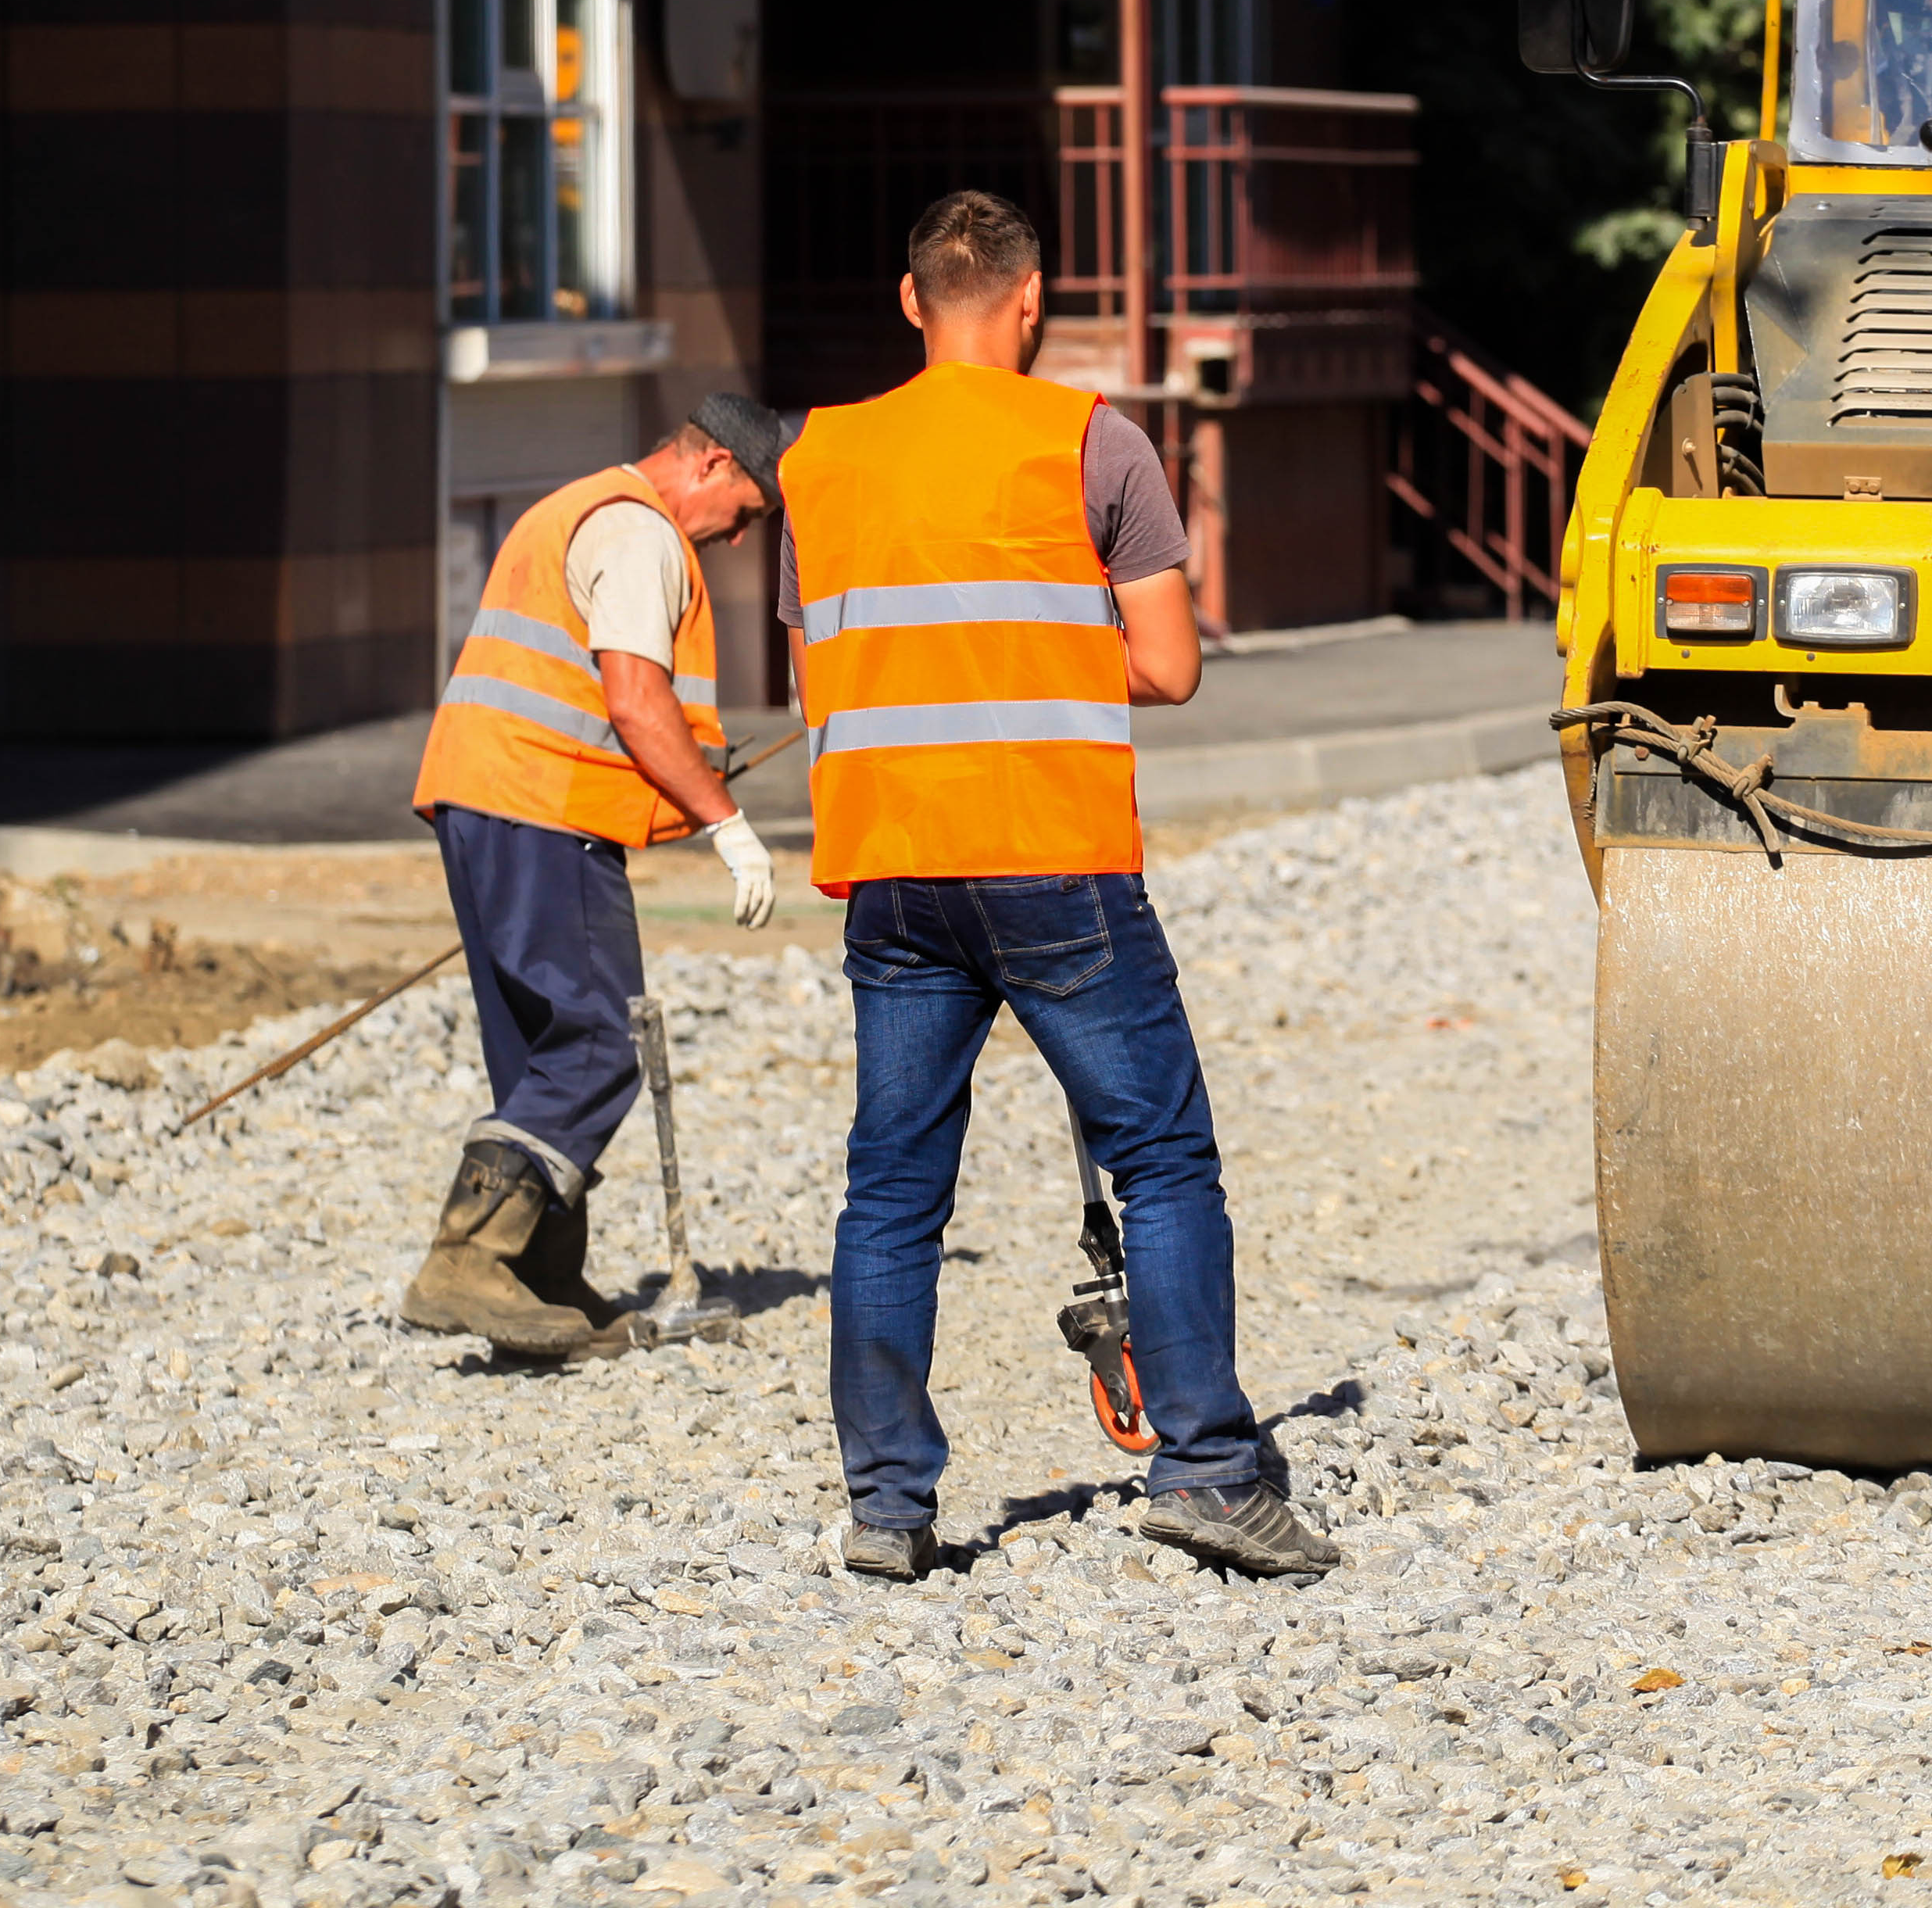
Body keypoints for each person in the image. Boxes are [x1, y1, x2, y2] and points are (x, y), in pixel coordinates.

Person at [781, 190, 1339, 1584]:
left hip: (894, 866)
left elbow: (821, 664)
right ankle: (1208, 1469)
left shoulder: (822, 457)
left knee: (892, 1189)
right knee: (1159, 1156)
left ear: (911, 302)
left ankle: (887, 1504)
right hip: (1051, 854)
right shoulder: (1091, 439)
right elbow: (1168, 664)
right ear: (1032, 304)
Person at [402, 396, 792, 1359]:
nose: (738, 541)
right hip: (546, 804)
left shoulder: (578, 507)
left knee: (539, 1044)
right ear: (709, 468)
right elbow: (633, 696)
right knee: (596, 1041)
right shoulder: (640, 533)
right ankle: (465, 1260)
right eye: (744, 514)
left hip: (482, 797)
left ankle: (533, 1278)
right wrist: (727, 824)